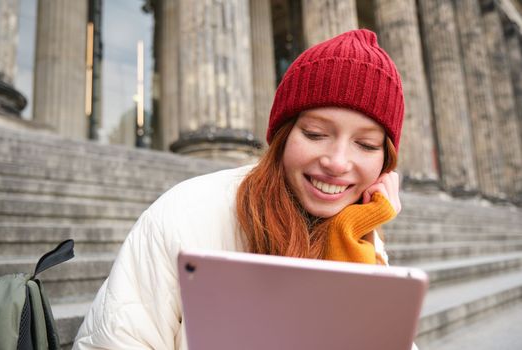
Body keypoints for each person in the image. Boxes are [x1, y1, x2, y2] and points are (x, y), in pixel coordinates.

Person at [73, 29, 405, 349]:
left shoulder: (355, 234)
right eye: (316, 134)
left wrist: (361, 237)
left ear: (385, 162)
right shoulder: (185, 213)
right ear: (282, 135)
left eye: (365, 144)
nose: (337, 162)